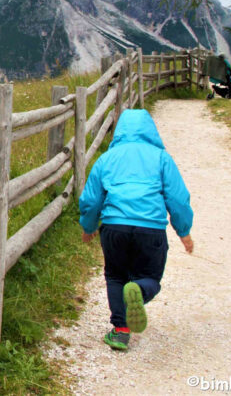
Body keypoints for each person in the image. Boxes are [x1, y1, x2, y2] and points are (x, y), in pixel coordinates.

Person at [79, 109, 194, 351]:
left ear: (120, 131)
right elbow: (178, 198)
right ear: (150, 130)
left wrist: (88, 227)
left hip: (114, 226)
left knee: (115, 276)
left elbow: (91, 200)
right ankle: (140, 292)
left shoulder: (107, 159)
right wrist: (184, 231)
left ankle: (120, 332)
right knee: (151, 277)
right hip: (150, 229)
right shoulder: (161, 158)